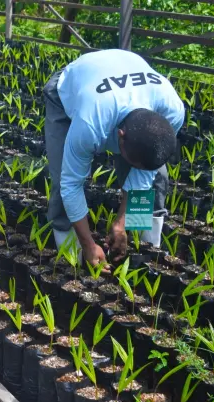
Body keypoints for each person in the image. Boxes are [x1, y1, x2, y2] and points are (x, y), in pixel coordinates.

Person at [43, 48, 185, 265]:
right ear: (120, 137)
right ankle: (73, 256)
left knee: (155, 178)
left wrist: (122, 221)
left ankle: (145, 250)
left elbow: (144, 175)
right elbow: (71, 185)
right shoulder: (90, 124)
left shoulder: (172, 111)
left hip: (122, 77)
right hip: (70, 90)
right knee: (61, 175)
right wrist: (89, 244)